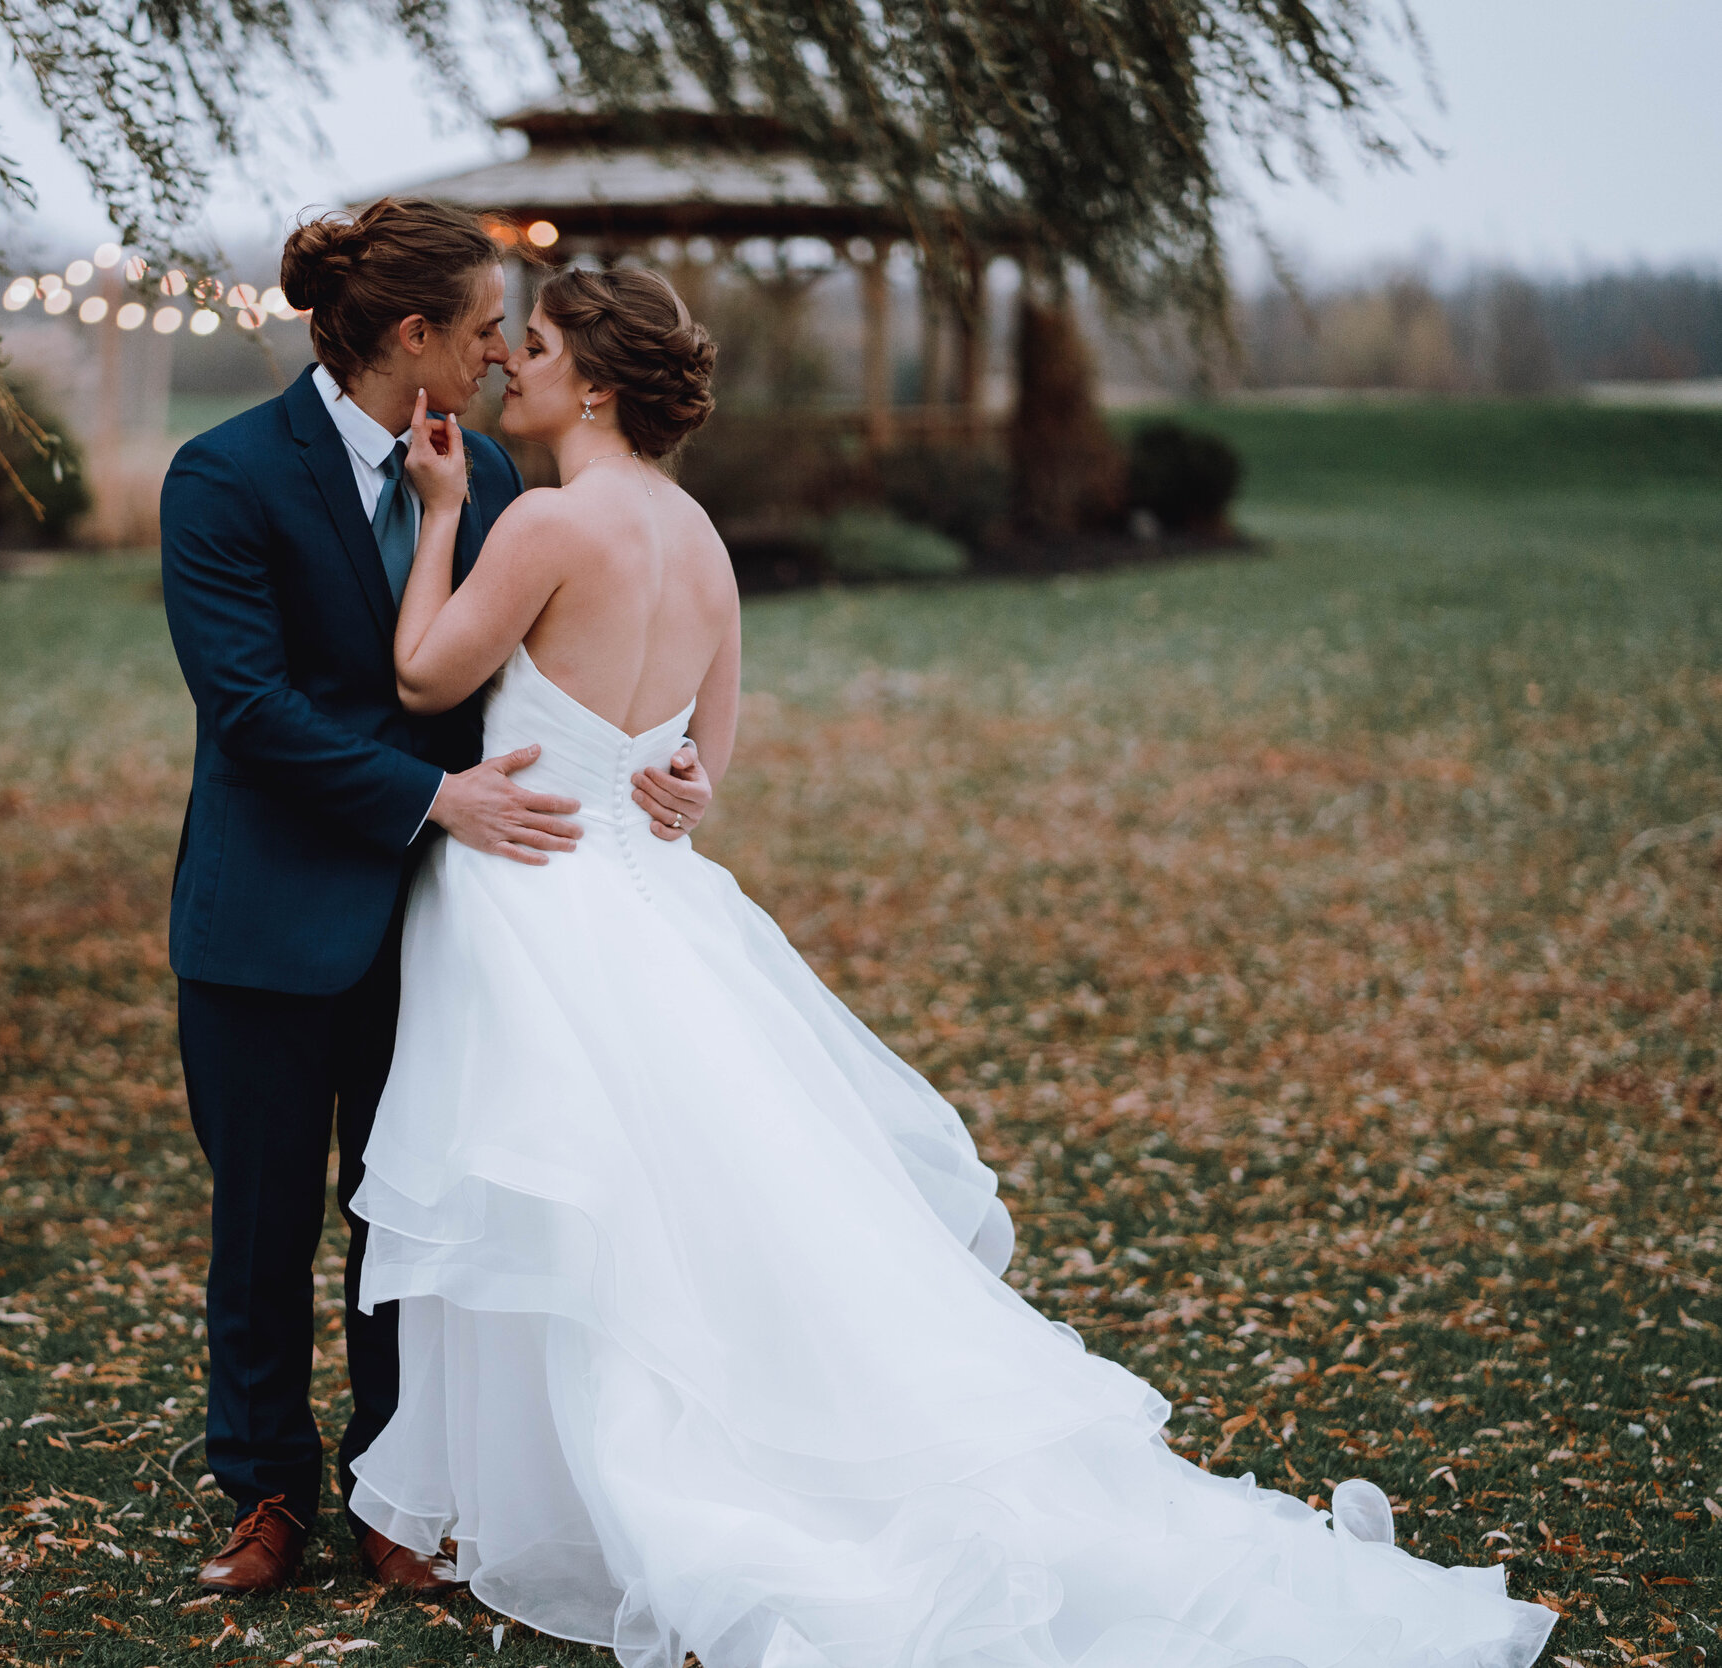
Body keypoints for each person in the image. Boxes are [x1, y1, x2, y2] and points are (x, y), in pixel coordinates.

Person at [345, 263, 1559, 1668]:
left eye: (537, 345)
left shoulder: (546, 523)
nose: (513, 367)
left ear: (598, 384)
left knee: (598, 1218)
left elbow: (428, 678)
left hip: (544, 910)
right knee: (690, 1210)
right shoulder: (699, 538)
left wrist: (440, 520)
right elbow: (703, 765)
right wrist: (663, 779)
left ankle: (582, 1497)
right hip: (657, 906)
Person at [157, 198, 716, 1597]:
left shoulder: (516, 499)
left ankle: (399, 1497)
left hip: (453, 921)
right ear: (413, 338)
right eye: (480, 334)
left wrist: (654, 770)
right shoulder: (223, 477)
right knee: (264, 1220)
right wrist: (430, 798)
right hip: (270, 917)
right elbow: (250, 710)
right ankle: (265, 1493)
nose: (494, 358)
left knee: (408, 1221)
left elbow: (534, 686)